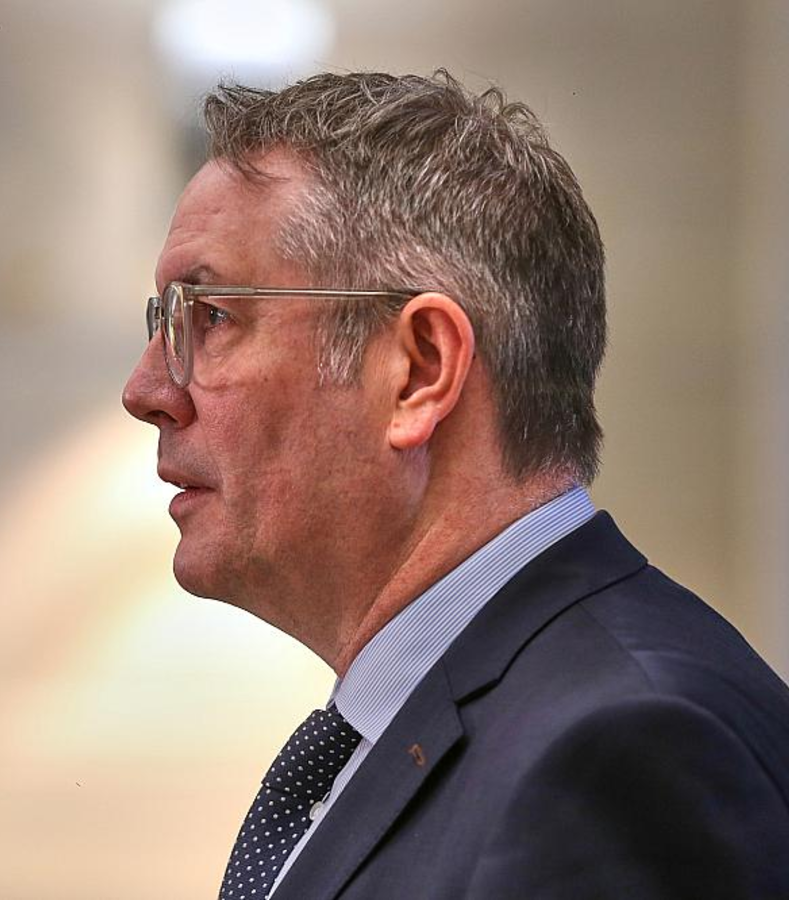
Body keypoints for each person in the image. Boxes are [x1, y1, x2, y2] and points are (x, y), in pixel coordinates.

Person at [121, 71, 789, 900]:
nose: (146, 390)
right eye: (163, 322)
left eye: (211, 316)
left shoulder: (621, 751)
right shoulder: (475, 718)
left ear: (419, 371)